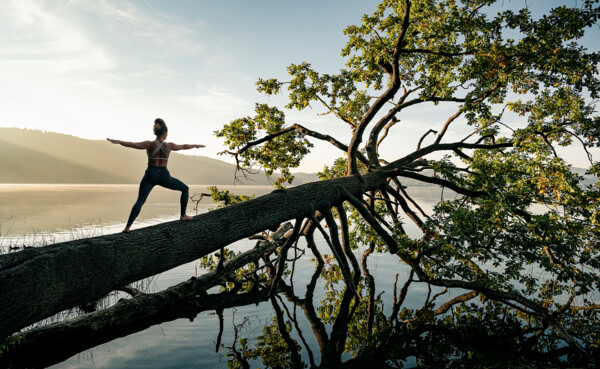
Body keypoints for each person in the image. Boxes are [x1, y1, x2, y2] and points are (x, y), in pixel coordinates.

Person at [107, 118, 205, 233]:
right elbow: (183, 146)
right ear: (164, 133)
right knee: (185, 188)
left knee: (140, 201)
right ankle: (183, 215)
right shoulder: (169, 146)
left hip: (150, 175)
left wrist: (118, 141)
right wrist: (196, 145)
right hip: (164, 175)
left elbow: (133, 145)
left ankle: (127, 227)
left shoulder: (150, 144)